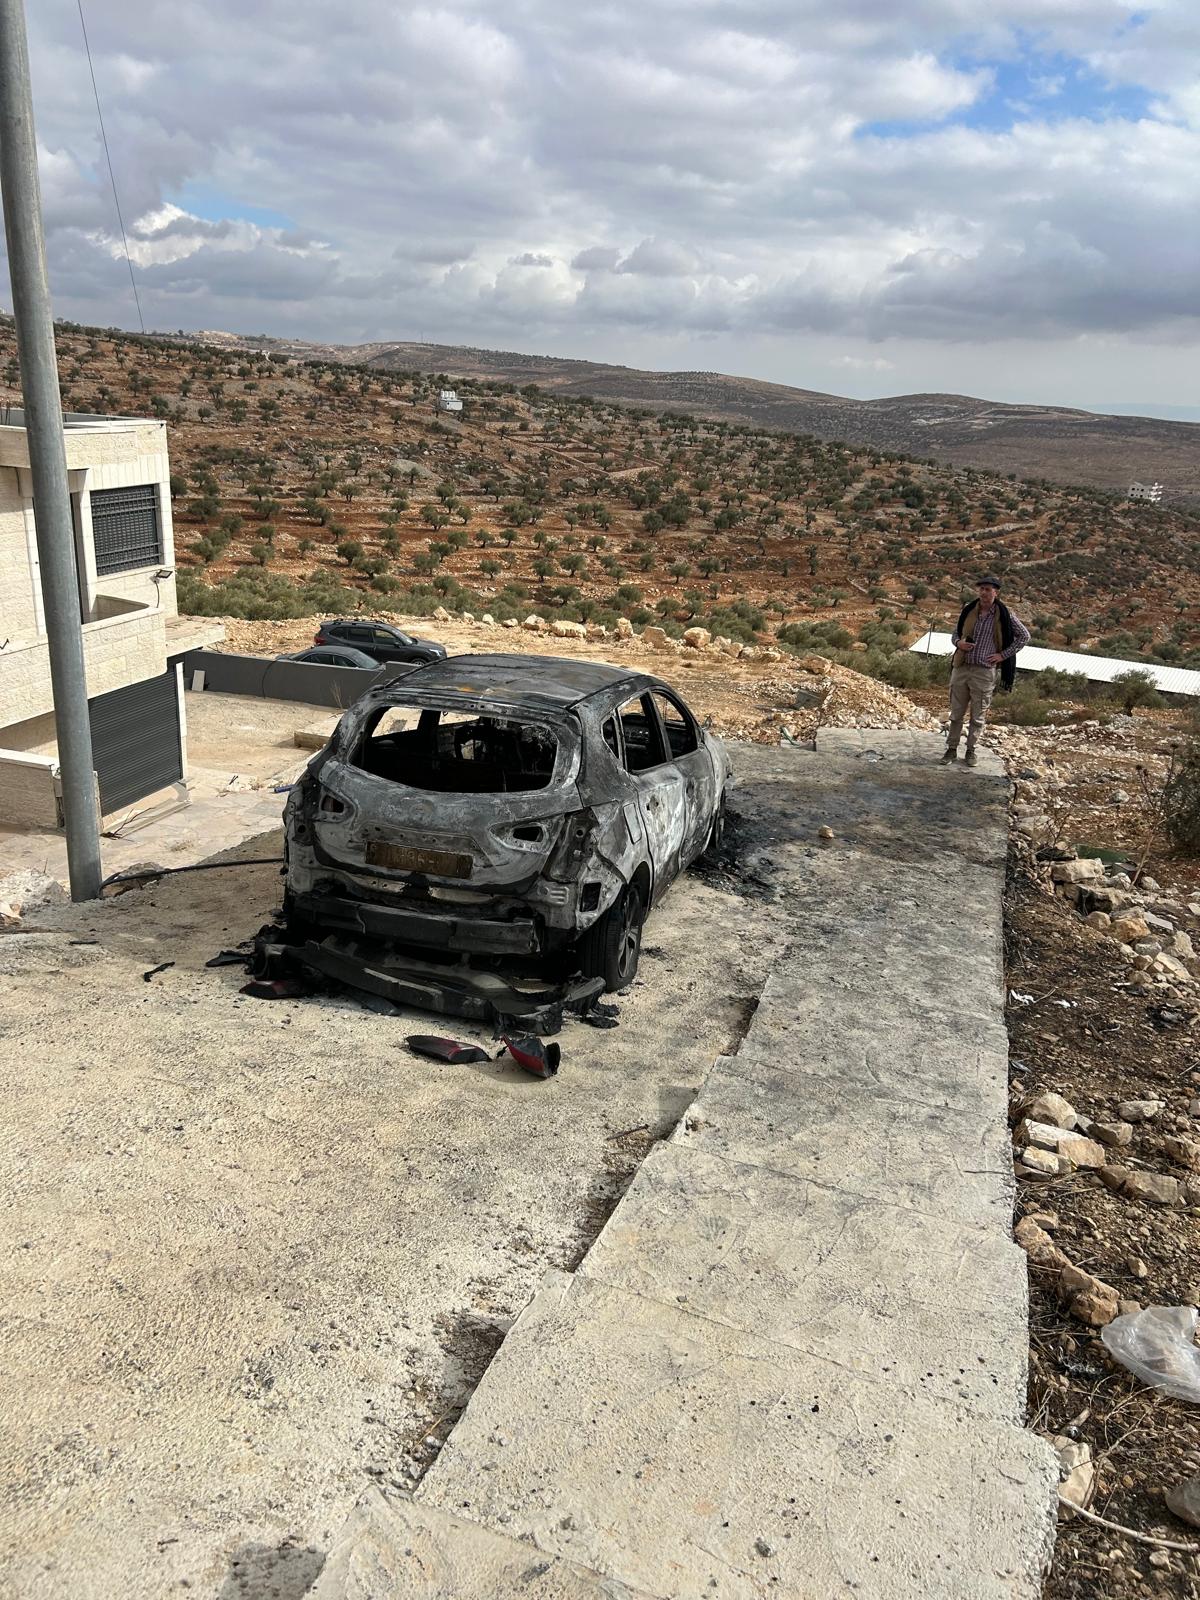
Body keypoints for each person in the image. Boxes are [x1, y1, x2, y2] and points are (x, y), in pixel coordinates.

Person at [941, 577, 1029, 767]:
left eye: (988, 590)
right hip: (962, 667)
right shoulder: (969, 610)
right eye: (981, 589)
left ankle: (971, 751)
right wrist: (958, 643)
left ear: (996, 593)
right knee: (956, 713)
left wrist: (1003, 655)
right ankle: (951, 749)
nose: (984, 593)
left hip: (984, 671)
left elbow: (1024, 636)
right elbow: (955, 633)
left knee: (977, 715)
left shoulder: (1004, 615)